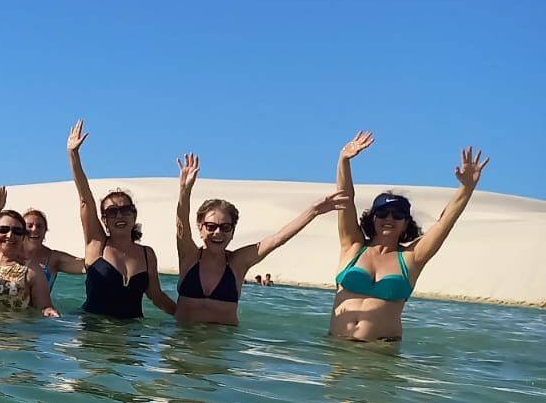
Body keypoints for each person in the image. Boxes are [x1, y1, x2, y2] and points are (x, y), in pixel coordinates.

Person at [330, 132, 489, 340]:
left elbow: (444, 223)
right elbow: (345, 200)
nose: (389, 218)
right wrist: (343, 160)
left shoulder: (411, 258)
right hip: (337, 348)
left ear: (406, 223)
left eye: (398, 215)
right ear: (372, 218)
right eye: (383, 213)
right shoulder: (352, 246)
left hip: (380, 352)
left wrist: (466, 188)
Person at [173, 153, 349, 326]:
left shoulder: (237, 262)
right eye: (211, 226)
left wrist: (313, 211)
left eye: (225, 227)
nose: (218, 232)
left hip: (222, 343)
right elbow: (181, 225)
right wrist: (184, 191)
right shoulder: (189, 257)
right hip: (183, 340)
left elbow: (277, 239)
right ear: (200, 228)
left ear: (233, 231)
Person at [66, 119, 175, 319]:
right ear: (104, 220)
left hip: (132, 335)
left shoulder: (147, 254)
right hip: (94, 331)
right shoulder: (96, 245)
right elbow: (85, 201)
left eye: (125, 210)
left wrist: (184, 316)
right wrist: (73, 155)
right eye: (112, 212)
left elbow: (156, 295)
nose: (119, 215)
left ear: (134, 215)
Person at [0, 210, 60, 317]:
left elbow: (44, 307)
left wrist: (49, 312)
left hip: (14, 326)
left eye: (17, 231)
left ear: (23, 237)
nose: (10, 235)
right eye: (3, 229)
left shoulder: (32, 270)